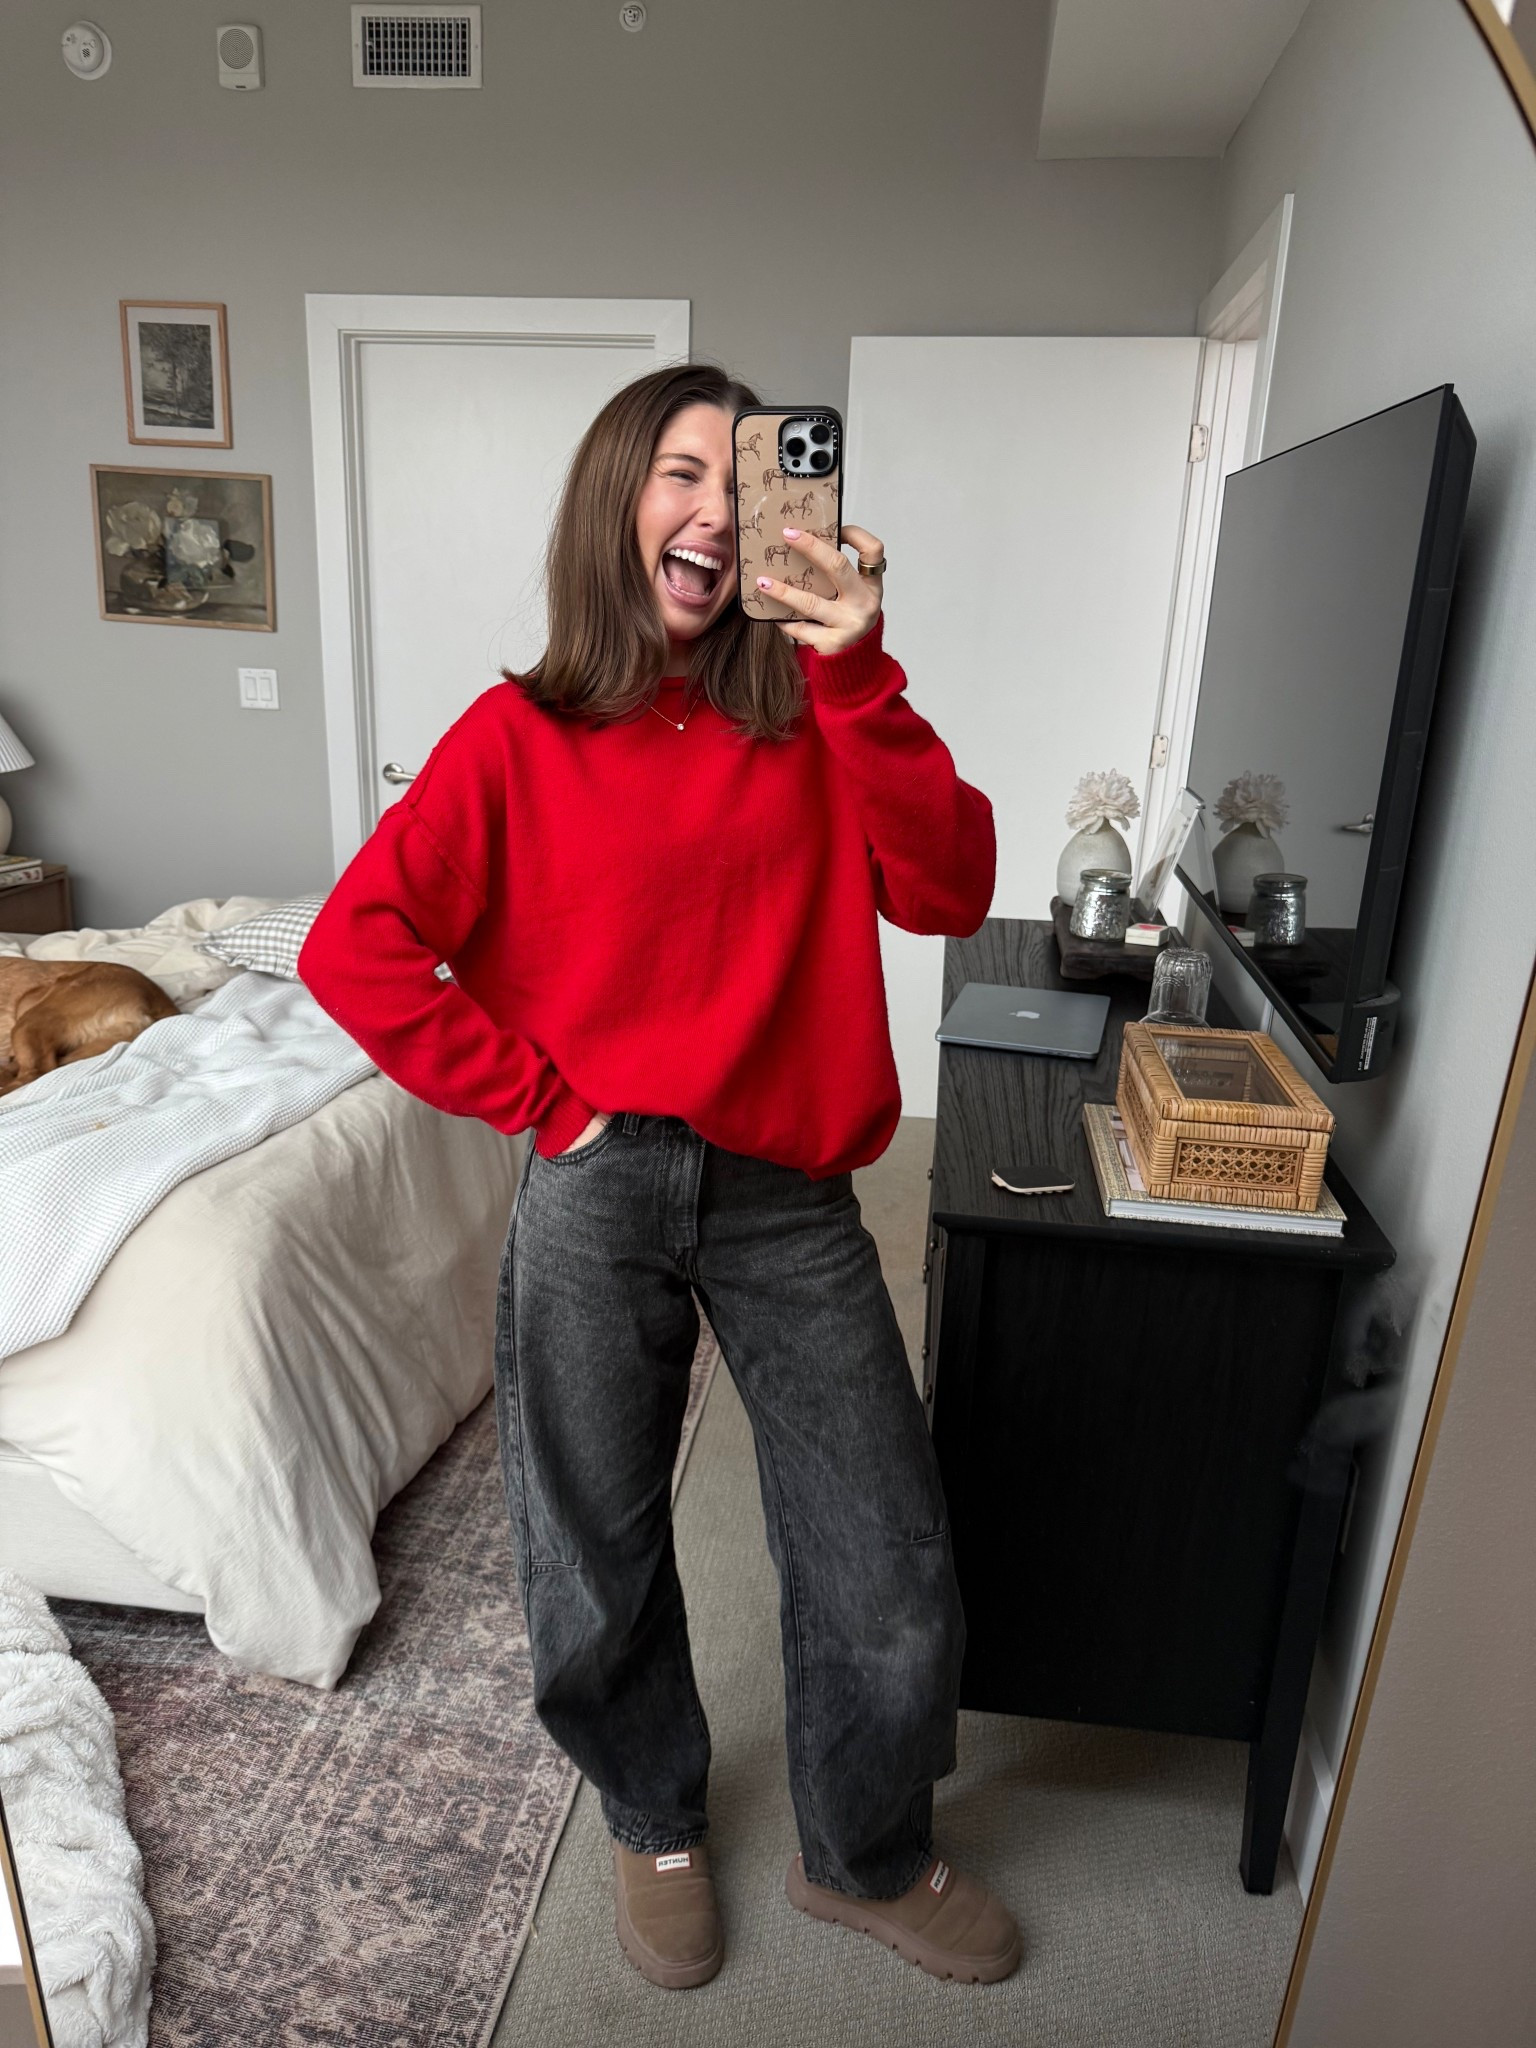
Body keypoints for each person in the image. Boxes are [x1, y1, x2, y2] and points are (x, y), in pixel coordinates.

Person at [298, 363, 1020, 1991]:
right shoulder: (515, 738)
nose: (709, 511)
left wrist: (860, 673)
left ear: (782, 516)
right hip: (599, 1187)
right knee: (594, 1542)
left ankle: (869, 1852)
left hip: (789, 1189)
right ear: (618, 503)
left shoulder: (826, 717)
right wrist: (540, 1105)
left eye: (742, 480)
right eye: (676, 473)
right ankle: (656, 1819)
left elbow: (955, 887)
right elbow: (360, 947)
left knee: (885, 1552)